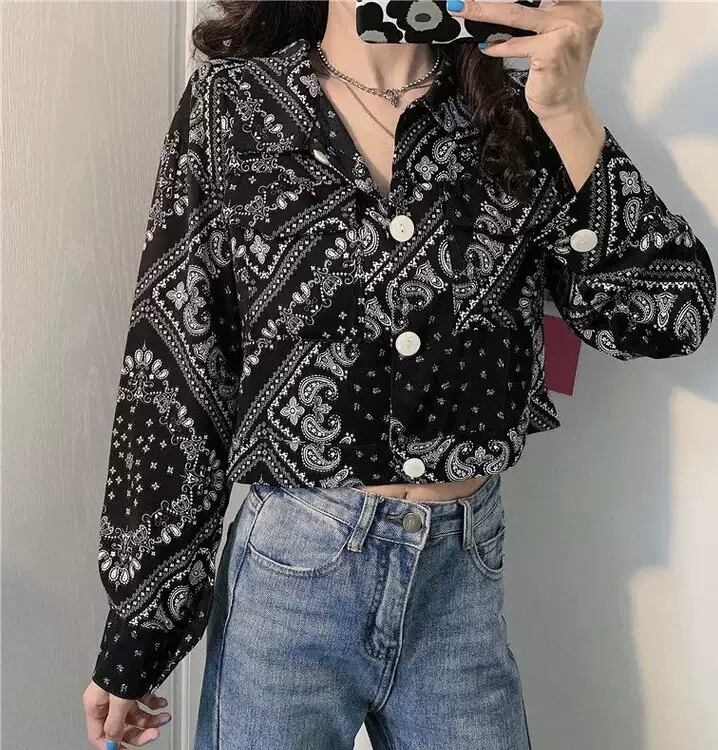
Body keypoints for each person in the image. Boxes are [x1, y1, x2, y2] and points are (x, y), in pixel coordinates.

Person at [82, 1, 716, 748]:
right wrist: (139, 633)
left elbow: (667, 316)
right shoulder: (234, 106)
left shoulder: (517, 118)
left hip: (462, 585)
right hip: (292, 578)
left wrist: (571, 112)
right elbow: (175, 368)